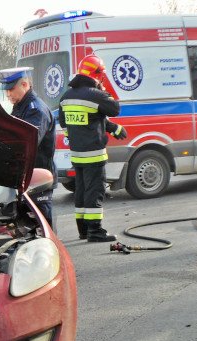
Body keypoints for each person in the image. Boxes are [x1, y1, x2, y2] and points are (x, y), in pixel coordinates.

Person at [58, 55, 126, 242]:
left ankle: (83, 230)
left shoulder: (66, 97)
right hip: (94, 155)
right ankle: (95, 232)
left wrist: (112, 128)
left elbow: (68, 122)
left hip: (77, 155)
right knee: (94, 192)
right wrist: (102, 90)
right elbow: (114, 109)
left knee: (80, 191)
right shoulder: (96, 94)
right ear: (97, 74)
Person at [0, 66, 57, 227]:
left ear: (24, 85)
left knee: (42, 226)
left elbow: (25, 145)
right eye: (6, 90)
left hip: (38, 178)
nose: (8, 94)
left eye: (11, 89)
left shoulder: (35, 111)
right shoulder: (21, 107)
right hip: (25, 177)